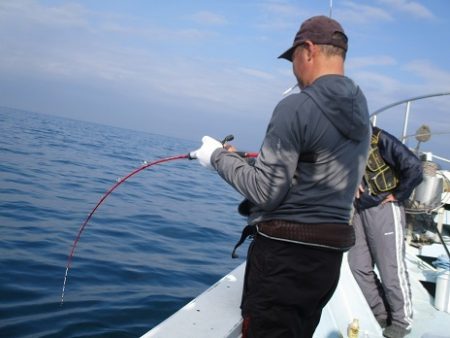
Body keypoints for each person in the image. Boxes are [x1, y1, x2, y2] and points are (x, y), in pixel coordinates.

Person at [191, 15, 371, 338]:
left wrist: (216, 157)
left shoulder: (295, 108)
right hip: (326, 266)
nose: (293, 68)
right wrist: (245, 160)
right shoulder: (361, 113)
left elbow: (265, 191)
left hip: (283, 264)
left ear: (309, 50)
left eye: (294, 58)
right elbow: (313, 166)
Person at [348, 126, 423, 338]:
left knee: (391, 268)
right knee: (358, 266)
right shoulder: (344, 140)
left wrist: (398, 194)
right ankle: (380, 312)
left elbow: (415, 167)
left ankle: (402, 321)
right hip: (359, 211)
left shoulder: (379, 138)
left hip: (383, 208)